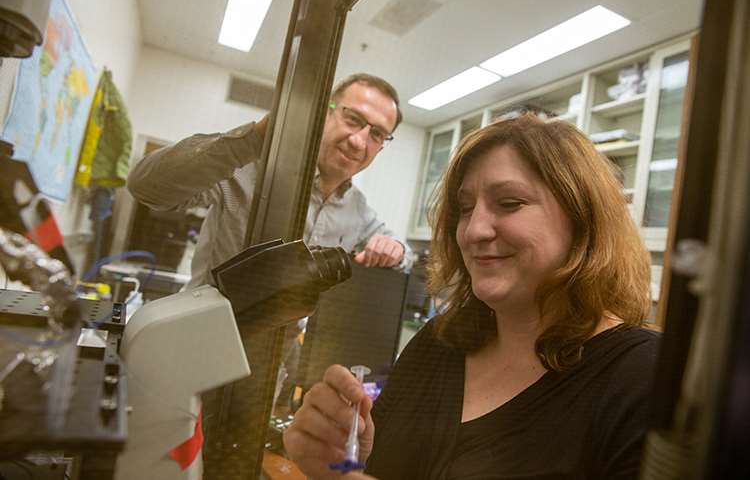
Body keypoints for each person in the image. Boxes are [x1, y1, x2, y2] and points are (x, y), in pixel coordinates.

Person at [283, 113, 660, 479]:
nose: (473, 230)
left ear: (582, 218)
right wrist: (348, 457)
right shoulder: (437, 343)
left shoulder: (646, 376)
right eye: (465, 209)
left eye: (509, 203)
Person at [127, 73, 413, 291]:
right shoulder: (247, 167)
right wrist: (253, 140)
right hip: (206, 346)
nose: (358, 141)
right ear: (325, 111)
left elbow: (405, 255)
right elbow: (144, 186)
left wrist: (396, 250)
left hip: (280, 362)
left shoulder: (359, 210)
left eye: (376, 134)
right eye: (352, 119)